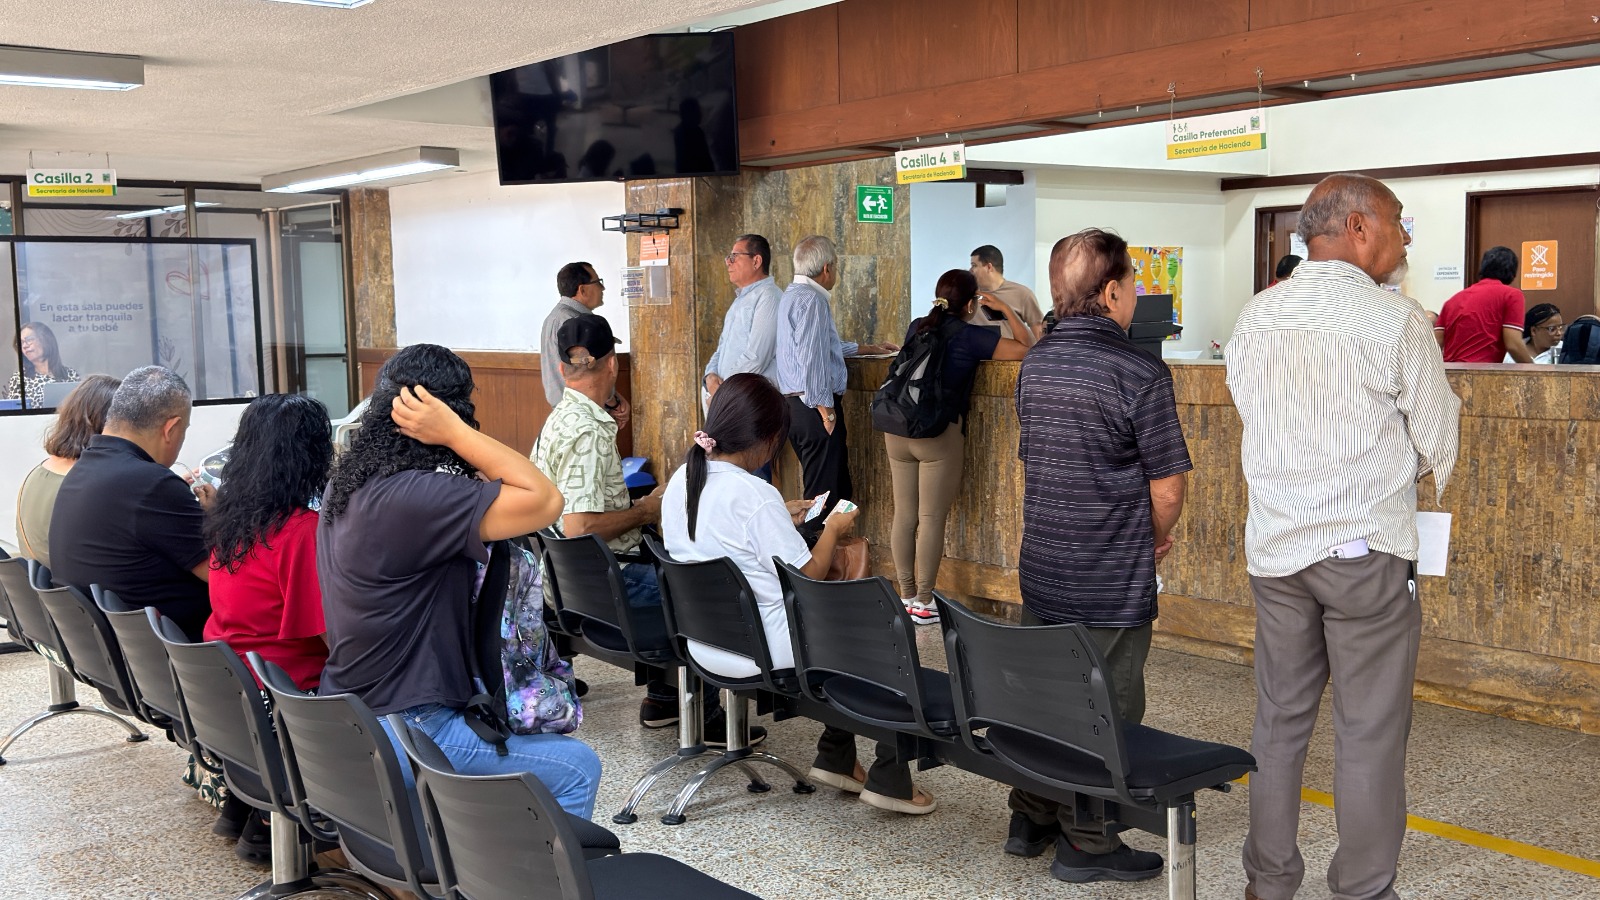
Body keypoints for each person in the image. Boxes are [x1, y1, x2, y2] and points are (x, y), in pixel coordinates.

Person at [1227, 173, 1460, 900]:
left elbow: (1253, 417)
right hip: (1364, 552)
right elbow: (1439, 440)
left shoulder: (1254, 317)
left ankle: (1268, 882)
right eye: (1398, 222)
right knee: (1368, 731)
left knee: (1279, 723)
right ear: (1359, 227)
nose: (1406, 237)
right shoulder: (1396, 323)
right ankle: (1362, 888)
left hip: (1276, 551)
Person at [317, 344, 601, 820]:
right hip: (409, 722)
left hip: (353, 706)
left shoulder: (351, 482)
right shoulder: (417, 497)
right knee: (576, 766)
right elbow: (546, 501)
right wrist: (454, 431)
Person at [1007, 228, 1192, 884]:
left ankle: (1030, 814)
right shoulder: (1139, 371)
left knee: (1046, 692)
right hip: (1108, 573)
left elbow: (1035, 463)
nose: (1136, 295)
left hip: (1046, 563)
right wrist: (1151, 534)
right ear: (1112, 291)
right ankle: (1088, 839)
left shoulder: (1038, 362)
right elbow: (1167, 487)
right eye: (1133, 284)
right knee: (1107, 702)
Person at [661, 373, 935, 815]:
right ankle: (889, 777)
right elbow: (808, 572)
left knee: (847, 624)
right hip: (764, 648)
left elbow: (730, 542)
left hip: (705, 643)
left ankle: (837, 756)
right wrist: (832, 528)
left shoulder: (683, 481)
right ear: (768, 439)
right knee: (885, 622)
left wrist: (779, 513)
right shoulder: (754, 495)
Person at [534, 314, 750, 743]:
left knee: (662, 561)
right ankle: (705, 715)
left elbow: (569, 513)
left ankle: (664, 700)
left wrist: (636, 506)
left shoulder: (559, 420)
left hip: (566, 587)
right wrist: (647, 511)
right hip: (606, 590)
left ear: (562, 369)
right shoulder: (589, 432)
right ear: (612, 364)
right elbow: (579, 526)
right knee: (705, 585)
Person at [886, 270, 1033, 625]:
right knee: (931, 518)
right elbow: (1029, 348)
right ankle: (923, 602)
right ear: (970, 304)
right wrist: (1004, 309)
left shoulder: (917, 326)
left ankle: (905, 597)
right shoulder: (972, 336)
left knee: (905, 516)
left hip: (897, 429)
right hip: (937, 435)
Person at [49, 366, 215, 641]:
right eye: (183, 430)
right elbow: (221, 574)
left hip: (108, 649)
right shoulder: (152, 483)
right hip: (183, 653)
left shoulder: (85, 467)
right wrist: (217, 515)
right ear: (170, 428)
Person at [203, 394, 333, 692]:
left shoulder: (229, 515)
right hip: (289, 694)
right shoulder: (300, 530)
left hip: (230, 686)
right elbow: (335, 640)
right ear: (312, 457)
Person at [775, 235, 897, 519]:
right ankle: (812, 559)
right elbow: (811, 359)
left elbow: (819, 346)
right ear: (827, 268)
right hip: (813, 409)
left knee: (831, 491)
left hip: (796, 407)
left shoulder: (792, 295)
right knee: (823, 499)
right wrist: (826, 412)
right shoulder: (813, 300)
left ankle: (829, 558)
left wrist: (867, 348)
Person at [14, 375, 120, 569]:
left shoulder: (35, 475)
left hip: (53, 595)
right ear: (108, 423)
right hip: (88, 595)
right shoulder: (90, 486)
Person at [540, 261, 630, 430]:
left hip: (571, 412)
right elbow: (585, 372)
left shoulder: (556, 318)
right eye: (598, 282)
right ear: (582, 289)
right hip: (584, 414)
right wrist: (613, 402)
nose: (602, 289)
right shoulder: (574, 324)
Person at [704, 234, 781, 398]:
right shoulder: (740, 300)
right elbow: (721, 348)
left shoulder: (769, 297)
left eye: (735, 256)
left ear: (756, 261)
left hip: (746, 401)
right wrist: (709, 377)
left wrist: (722, 394)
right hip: (728, 399)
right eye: (729, 257)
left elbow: (756, 358)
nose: (728, 262)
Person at [1434, 246, 1533, 363]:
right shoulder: (1511, 295)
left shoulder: (1453, 300)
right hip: (1482, 373)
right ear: (1513, 273)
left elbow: (1434, 344)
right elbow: (1513, 344)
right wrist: (1536, 372)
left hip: (1449, 373)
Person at [968, 244, 1046, 341]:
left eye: (974, 266)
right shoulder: (967, 295)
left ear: (989, 267)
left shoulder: (1022, 294)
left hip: (1013, 355)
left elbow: (1039, 335)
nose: (970, 270)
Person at [8, 322, 80, 408]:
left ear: (45, 340)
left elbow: (80, 408)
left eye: (29, 340)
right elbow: (15, 415)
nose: (24, 346)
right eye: (21, 343)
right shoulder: (19, 378)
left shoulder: (70, 374)